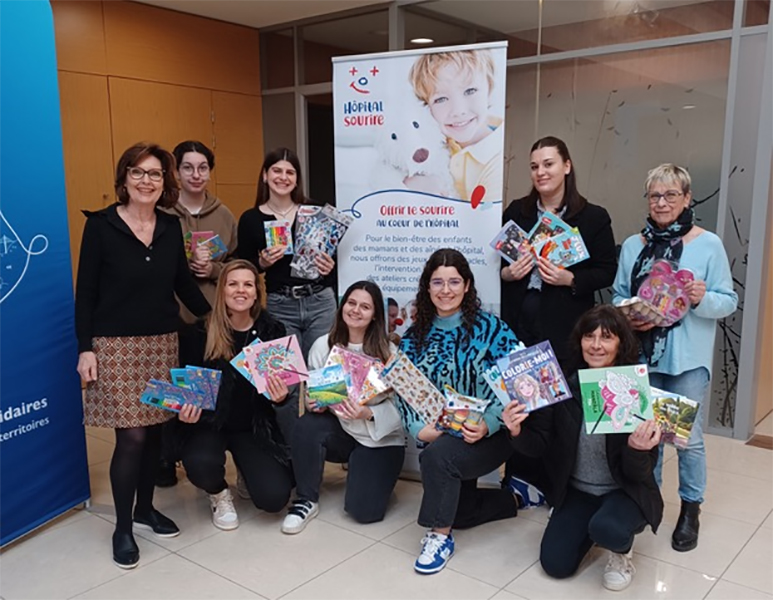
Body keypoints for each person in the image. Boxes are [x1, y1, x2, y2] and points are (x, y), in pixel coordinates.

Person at [75, 143, 210, 569]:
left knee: (154, 432)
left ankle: (145, 509)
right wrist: (85, 349)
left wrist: (223, 318)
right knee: (130, 436)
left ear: (163, 183)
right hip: (114, 347)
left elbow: (184, 286)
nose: (147, 181)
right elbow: (86, 296)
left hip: (161, 343)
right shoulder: (100, 227)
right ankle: (122, 528)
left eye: (155, 174)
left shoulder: (171, 227)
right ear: (124, 179)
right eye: (138, 173)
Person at [612, 164, 737, 552]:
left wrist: (701, 299)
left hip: (686, 362)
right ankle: (646, 501)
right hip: (641, 357)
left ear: (686, 199)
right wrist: (629, 313)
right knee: (645, 435)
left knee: (687, 440)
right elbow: (617, 294)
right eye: (654, 196)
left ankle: (690, 509)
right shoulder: (634, 245)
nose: (661, 202)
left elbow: (728, 301)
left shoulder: (708, 244)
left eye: (670, 195)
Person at [503, 305, 664, 592]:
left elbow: (639, 474)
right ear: (579, 341)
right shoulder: (561, 387)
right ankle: (589, 527)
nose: (597, 345)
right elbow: (538, 445)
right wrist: (516, 431)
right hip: (578, 491)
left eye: (607, 337)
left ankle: (621, 550)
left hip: (624, 490)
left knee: (608, 529)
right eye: (589, 337)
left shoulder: (633, 390)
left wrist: (637, 449)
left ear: (621, 344)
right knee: (555, 565)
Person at [395, 248, 529, 575]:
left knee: (436, 458)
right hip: (442, 435)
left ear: (467, 285)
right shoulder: (413, 338)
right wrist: (418, 430)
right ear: (426, 288)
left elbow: (519, 386)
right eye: (437, 282)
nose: (446, 290)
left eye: (454, 281)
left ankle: (439, 537)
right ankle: (514, 498)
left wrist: (489, 424)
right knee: (462, 511)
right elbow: (404, 393)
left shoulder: (494, 330)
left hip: (488, 436)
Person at [176, 260, 294, 531]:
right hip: (210, 424)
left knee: (275, 498)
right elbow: (187, 389)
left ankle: (246, 469)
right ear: (222, 291)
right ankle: (218, 493)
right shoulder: (198, 332)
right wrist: (184, 411)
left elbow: (280, 391)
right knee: (200, 463)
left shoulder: (273, 331)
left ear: (256, 293)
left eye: (248, 284)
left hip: (252, 427)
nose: (240, 290)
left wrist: (280, 398)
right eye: (233, 284)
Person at [281, 281, 404, 534]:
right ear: (341, 306)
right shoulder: (322, 345)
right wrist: (315, 403)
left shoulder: (389, 352)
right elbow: (314, 396)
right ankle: (306, 500)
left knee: (364, 512)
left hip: (380, 438)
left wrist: (368, 413)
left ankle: (372, 476)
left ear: (375, 316)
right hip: (342, 431)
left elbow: (404, 411)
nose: (356, 310)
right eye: (351, 303)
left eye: (365, 307)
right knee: (306, 424)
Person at [156, 140, 238, 488]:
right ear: (176, 171)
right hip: (170, 318)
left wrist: (214, 270)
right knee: (168, 391)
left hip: (210, 321)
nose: (195, 174)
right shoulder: (161, 213)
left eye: (202, 167)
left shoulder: (224, 215)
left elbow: (236, 266)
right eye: (187, 167)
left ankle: (199, 456)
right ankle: (164, 458)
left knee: (201, 394)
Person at [501, 136, 617, 365]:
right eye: (534, 167)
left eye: (548, 164)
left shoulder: (593, 217)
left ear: (566, 166)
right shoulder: (516, 211)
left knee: (561, 398)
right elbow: (496, 265)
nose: (540, 172)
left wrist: (570, 279)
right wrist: (508, 274)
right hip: (516, 326)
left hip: (565, 328)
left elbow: (607, 271)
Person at [408, 49, 502, 203]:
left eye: (470, 91)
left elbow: (479, 222)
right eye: (441, 99)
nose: (458, 111)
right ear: (427, 107)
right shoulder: (432, 145)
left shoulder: (497, 159)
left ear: (489, 89)